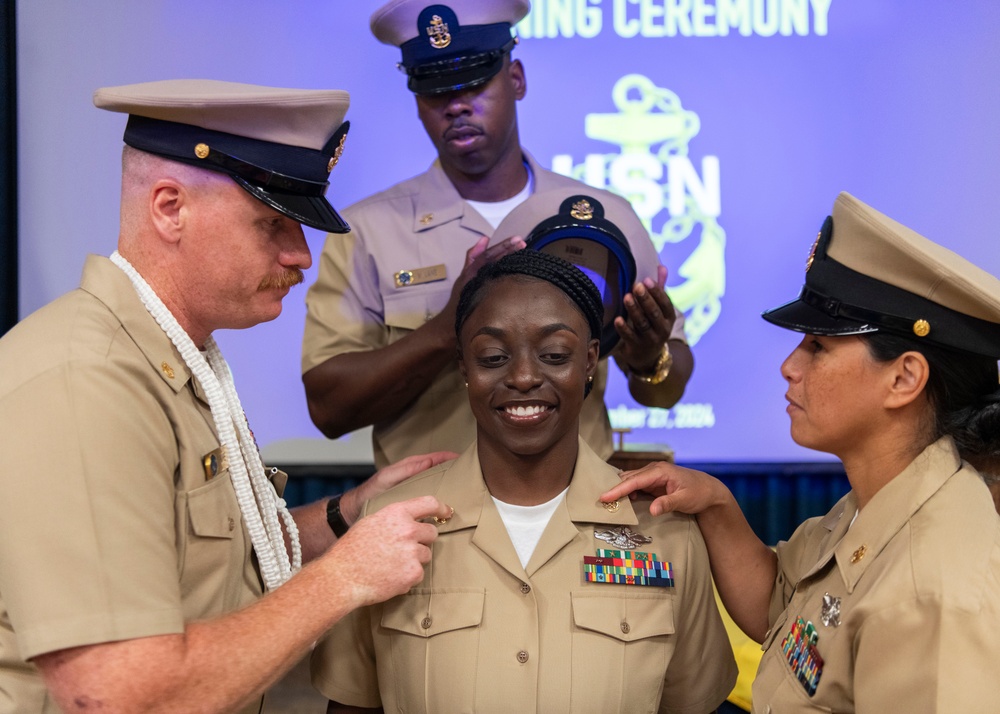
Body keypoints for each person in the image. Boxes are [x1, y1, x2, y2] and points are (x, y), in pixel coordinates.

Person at [0, 79, 454, 714]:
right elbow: (117, 694)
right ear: (169, 208)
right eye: (273, 223)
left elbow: (219, 567)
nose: (301, 255)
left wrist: (347, 515)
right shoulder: (87, 381)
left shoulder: (171, 357)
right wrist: (345, 577)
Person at [601, 192, 1000, 712]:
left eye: (818, 346)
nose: (789, 366)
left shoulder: (932, 592)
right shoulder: (881, 502)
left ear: (904, 378)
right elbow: (784, 611)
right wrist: (717, 502)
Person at [310, 249, 736, 713]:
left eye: (554, 354)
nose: (524, 376)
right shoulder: (388, 523)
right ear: (463, 367)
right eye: (493, 356)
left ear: (590, 360)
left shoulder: (664, 531)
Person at [301, 0, 693, 470]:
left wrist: (650, 358)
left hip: (577, 512)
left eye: (475, 80)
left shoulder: (604, 217)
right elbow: (329, 409)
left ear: (516, 79)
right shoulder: (367, 230)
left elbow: (667, 393)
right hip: (430, 519)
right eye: (434, 90)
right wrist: (445, 331)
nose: (457, 105)